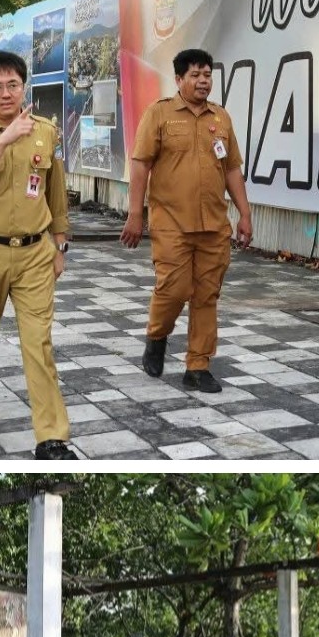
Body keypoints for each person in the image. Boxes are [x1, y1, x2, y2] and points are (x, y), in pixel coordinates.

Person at [0, 50, 76, 460]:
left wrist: (59, 243)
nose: (6, 94)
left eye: (13, 85)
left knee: (38, 342)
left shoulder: (45, 131)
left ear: (24, 87)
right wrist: (4, 139)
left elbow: (54, 189)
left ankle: (51, 435)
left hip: (34, 253)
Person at [120, 47, 253, 393]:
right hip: (171, 222)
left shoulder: (221, 119)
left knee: (207, 295)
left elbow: (233, 169)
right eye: (194, 75)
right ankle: (157, 335)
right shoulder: (160, 114)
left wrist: (245, 214)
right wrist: (136, 213)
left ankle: (198, 365)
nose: (202, 81)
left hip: (213, 224)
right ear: (179, 80)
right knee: (175, 288)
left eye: (207, 74)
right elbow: (140, 164)